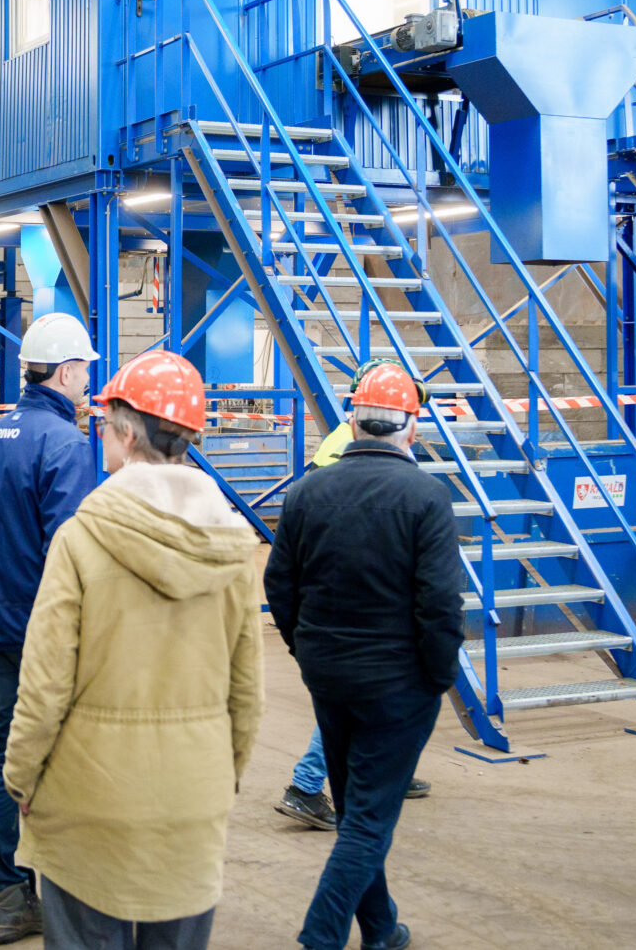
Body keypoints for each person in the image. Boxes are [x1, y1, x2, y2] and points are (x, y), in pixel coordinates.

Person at [4, 351, 263, 950]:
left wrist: (20, 778)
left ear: (124, 431)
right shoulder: (233, 546)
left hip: (88, 808)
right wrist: (218, 779)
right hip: (191, 807)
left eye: (105, 422)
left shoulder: (81, 538)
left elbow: (44, 687)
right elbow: (246, 694)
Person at [264, 362, 463, 950]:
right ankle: (319, 937)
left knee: (356, 810)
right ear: (412, 428)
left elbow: (280, 587)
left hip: (329, 676)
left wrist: (308, 651)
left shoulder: (307, 492)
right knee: (369, 823)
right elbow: (439, 605)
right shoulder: (427, 497)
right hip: (398, 684)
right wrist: (438, 676)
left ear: (353, 423)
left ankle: (381, 929)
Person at [0, 312, 98, 944]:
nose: (88, 379)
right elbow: (72, 550)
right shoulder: (65, 444)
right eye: (85, 369)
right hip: (48, 634)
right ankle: (70, 897)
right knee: (62, 760)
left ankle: (7, 897)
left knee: (2, 755)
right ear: (64, 370)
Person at [277, 358, 436, 832]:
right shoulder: (353, 451)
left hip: (343, 599)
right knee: (355, 699)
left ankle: (390, 766)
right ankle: (305, 785)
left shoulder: (349, 443)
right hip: (353, 599)